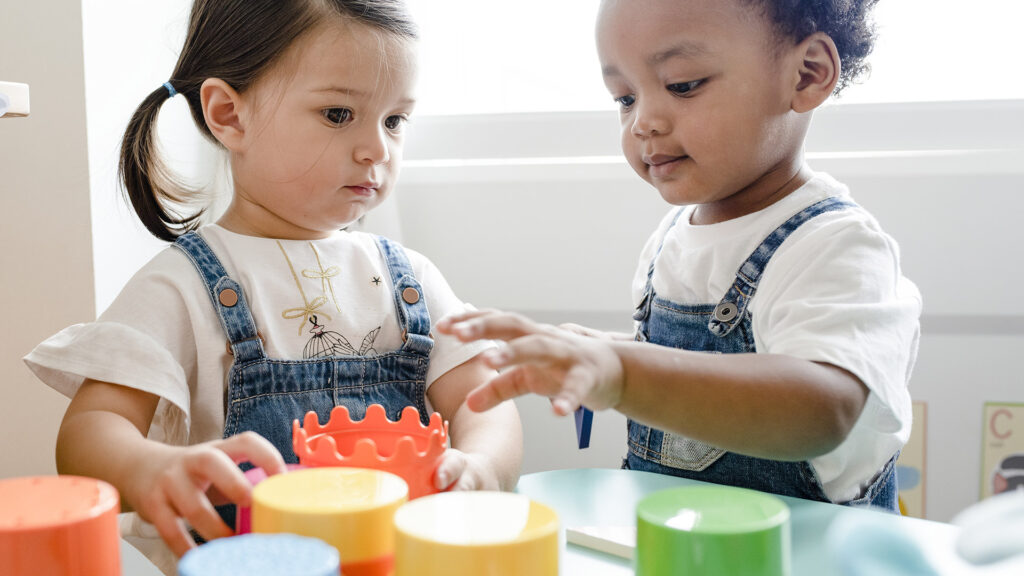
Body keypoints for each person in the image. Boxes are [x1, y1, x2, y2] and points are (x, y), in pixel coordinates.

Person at [24, 1, 521, 572]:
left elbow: (486, 402)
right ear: (229, 115)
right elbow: (90, 432)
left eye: (394, 120)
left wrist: (483, 465)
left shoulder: (409, 278)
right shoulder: (183, 284)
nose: (378, 149)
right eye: (338, 114)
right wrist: (149, 469)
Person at [439, 0, 919, 513]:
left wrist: (624, 371)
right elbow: (698, 363)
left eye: (682, 84)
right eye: (624, 98)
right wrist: (598, 352)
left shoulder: (834, 246)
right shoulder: (672, 237)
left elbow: (822, 408)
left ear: (806, 75)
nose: (643, 122)